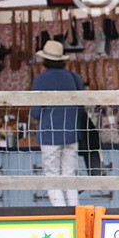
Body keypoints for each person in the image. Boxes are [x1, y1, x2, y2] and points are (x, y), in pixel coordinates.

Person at [30, 40, 84, 206]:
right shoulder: (74, 78)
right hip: (71, 132)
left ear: (45, 60)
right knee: (70, 175)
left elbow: (35, 111)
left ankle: (61, 212)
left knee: (52, 176)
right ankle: (75, 211)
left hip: (49, 134)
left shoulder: (40, 80)